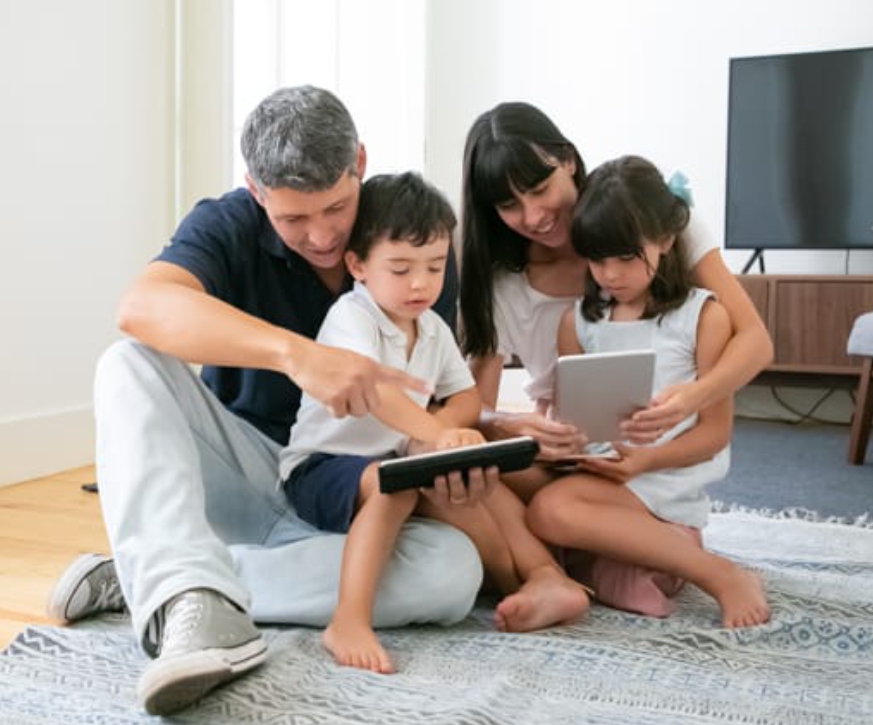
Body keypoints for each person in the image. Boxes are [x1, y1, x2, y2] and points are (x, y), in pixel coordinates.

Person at [44, 86, 492, 716]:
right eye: (292, 219)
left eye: (336, 207)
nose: (322, 235)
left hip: (349, 493)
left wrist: (442, 446)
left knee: (453, 574)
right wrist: (297, 355)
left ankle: (160, 578)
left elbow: (442, 393)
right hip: (245, 467)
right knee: (126, 363)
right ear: (256, 192)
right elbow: (140, 307)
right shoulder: (227, 223)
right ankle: (184, 588)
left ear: (359, 160)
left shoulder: (406, 239)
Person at [281, 172, 591, 673]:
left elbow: (466, 395)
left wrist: (448, 433)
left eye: (436, 266)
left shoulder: (432, 327)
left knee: (476, 482)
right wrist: (436, 434)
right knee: (396, 486)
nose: (421, 283)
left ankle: (540, 576)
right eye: (401, 269)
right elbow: (376, 395)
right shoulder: (351, 317)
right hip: (322, 465)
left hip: (395, 456)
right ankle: (349, 619)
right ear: (358, 265)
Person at [459, 102, 773, 499]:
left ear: (568, 161)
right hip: (569, 453)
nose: (534, 216)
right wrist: (509, 423)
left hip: (657, 456)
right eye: (509, 206)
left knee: (561, 517)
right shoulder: (504, 282)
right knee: (477, 480)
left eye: (540, 190)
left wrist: (694, 397)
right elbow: (472, 406)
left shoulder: (646, 221)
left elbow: (756, 342)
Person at [525, 155, 770, 627]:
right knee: (512, 485)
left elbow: (715, 434)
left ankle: (718, 574)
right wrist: (559, 443)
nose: (610, 275)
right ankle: (638, 562)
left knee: (551, 510)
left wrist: (646, 460)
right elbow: (575, 423)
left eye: (625, 257)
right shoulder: (577, 323)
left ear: (665, 240)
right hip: (603, 476)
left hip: (662, 482)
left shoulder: (703, 317)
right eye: (597, 260)